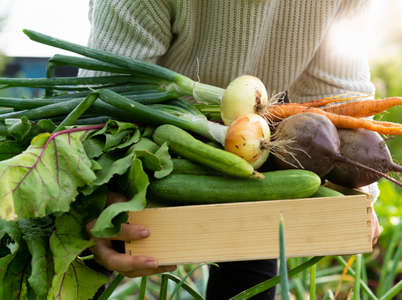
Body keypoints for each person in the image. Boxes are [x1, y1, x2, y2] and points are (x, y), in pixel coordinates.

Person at [82, 0, 381, 299]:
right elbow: (105, 100)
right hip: (148, 150)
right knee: (87, 255)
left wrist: (359, 192)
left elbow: (337, 97)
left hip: (255, 153)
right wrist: (98, 196)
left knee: (250, 279)